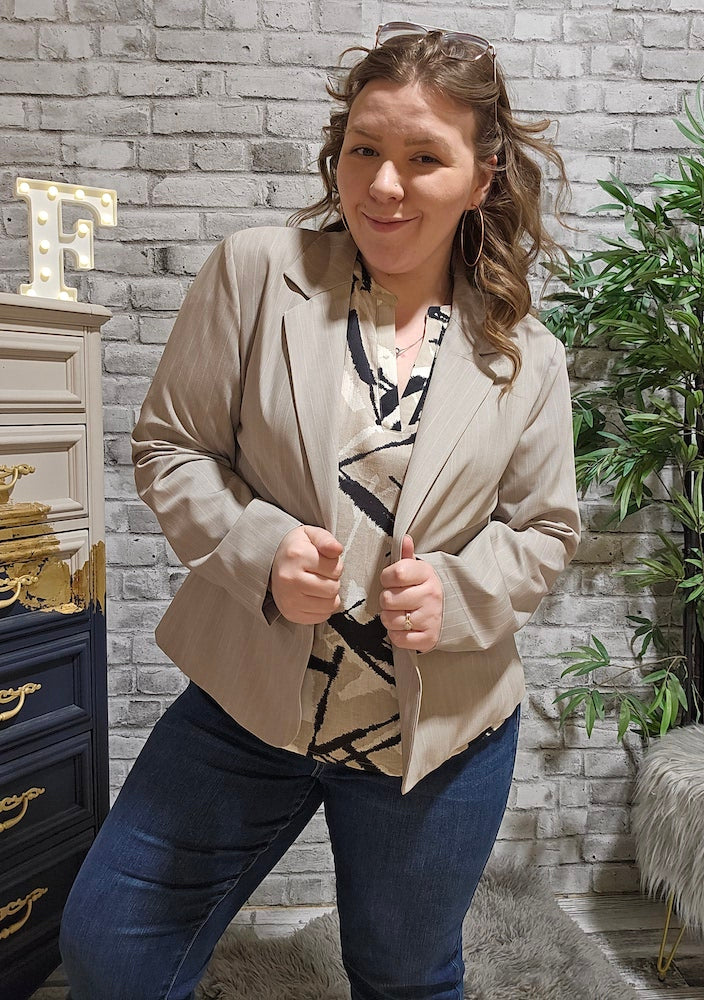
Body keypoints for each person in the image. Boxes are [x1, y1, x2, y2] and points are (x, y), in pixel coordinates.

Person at [59, 21, 581, 1000]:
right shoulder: (256, 272)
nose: (384, 185)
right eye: (363, 150)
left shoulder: (526, 355)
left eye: (424, 158)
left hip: (438, 733)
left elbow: (545, 531)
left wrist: (460, 592)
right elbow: (169, 446)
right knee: (110, 948)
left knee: (404, 976)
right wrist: (257, 549)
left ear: (481, 178)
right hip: (248, 698)